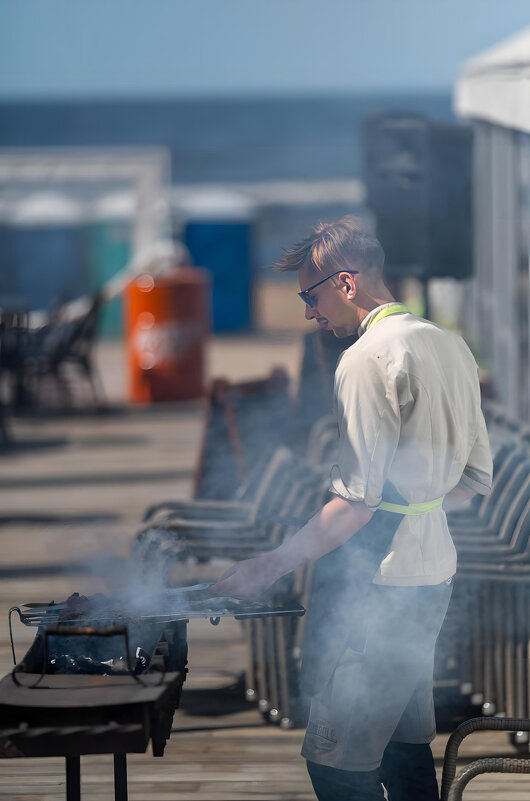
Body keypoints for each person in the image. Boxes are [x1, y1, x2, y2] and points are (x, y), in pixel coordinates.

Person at [212, 215, 493, 800]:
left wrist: (266, 566)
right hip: (433, 575)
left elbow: (355, 505)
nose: (308, 313)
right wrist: (417, 502)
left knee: (337, 764)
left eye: (309, 297)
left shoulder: (366, 359)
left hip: (379, 586)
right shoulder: (450, 345)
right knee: (403, 751)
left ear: (345, 284)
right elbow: (471, 482)